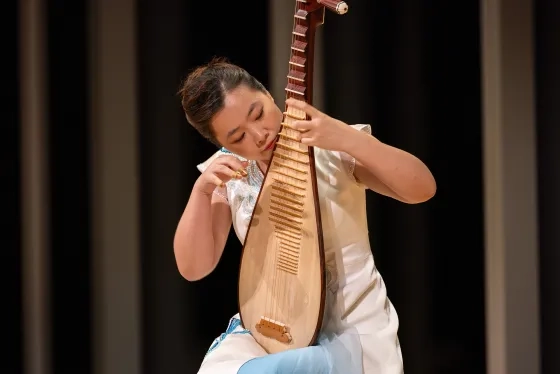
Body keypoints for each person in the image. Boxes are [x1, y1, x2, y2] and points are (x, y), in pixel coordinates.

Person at [174, 57, 436, 374]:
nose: (258, 135)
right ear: (221, 144)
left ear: (269, 95)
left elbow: (422, 188)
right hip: (273, 324)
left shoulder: (330, 144)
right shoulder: (230, 172)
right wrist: (202, 190)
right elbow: (193, 268)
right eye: (237, 137)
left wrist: (347, 138)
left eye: (257, 114)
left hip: (348, 327)